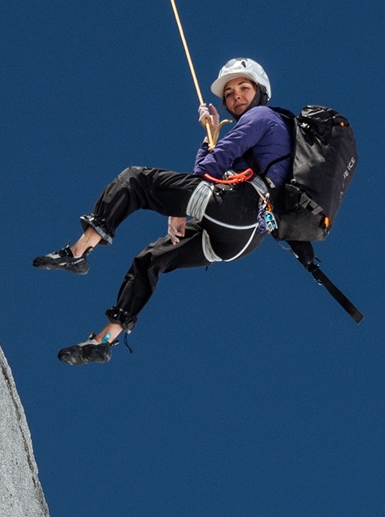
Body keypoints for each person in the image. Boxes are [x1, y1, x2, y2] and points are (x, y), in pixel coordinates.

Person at [34, 58, 292, 364]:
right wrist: (208, 137)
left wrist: (182, 198)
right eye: (230, 92)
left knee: (135, 180)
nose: (236, 96)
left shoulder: (262, 116)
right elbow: (208, 173)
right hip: (242, 238)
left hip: (239, 209)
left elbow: (212, 165)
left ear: (260, 91)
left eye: (244, 88)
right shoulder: (263, 131)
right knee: (151, 259)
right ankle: (104, 341)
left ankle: (77, 252)